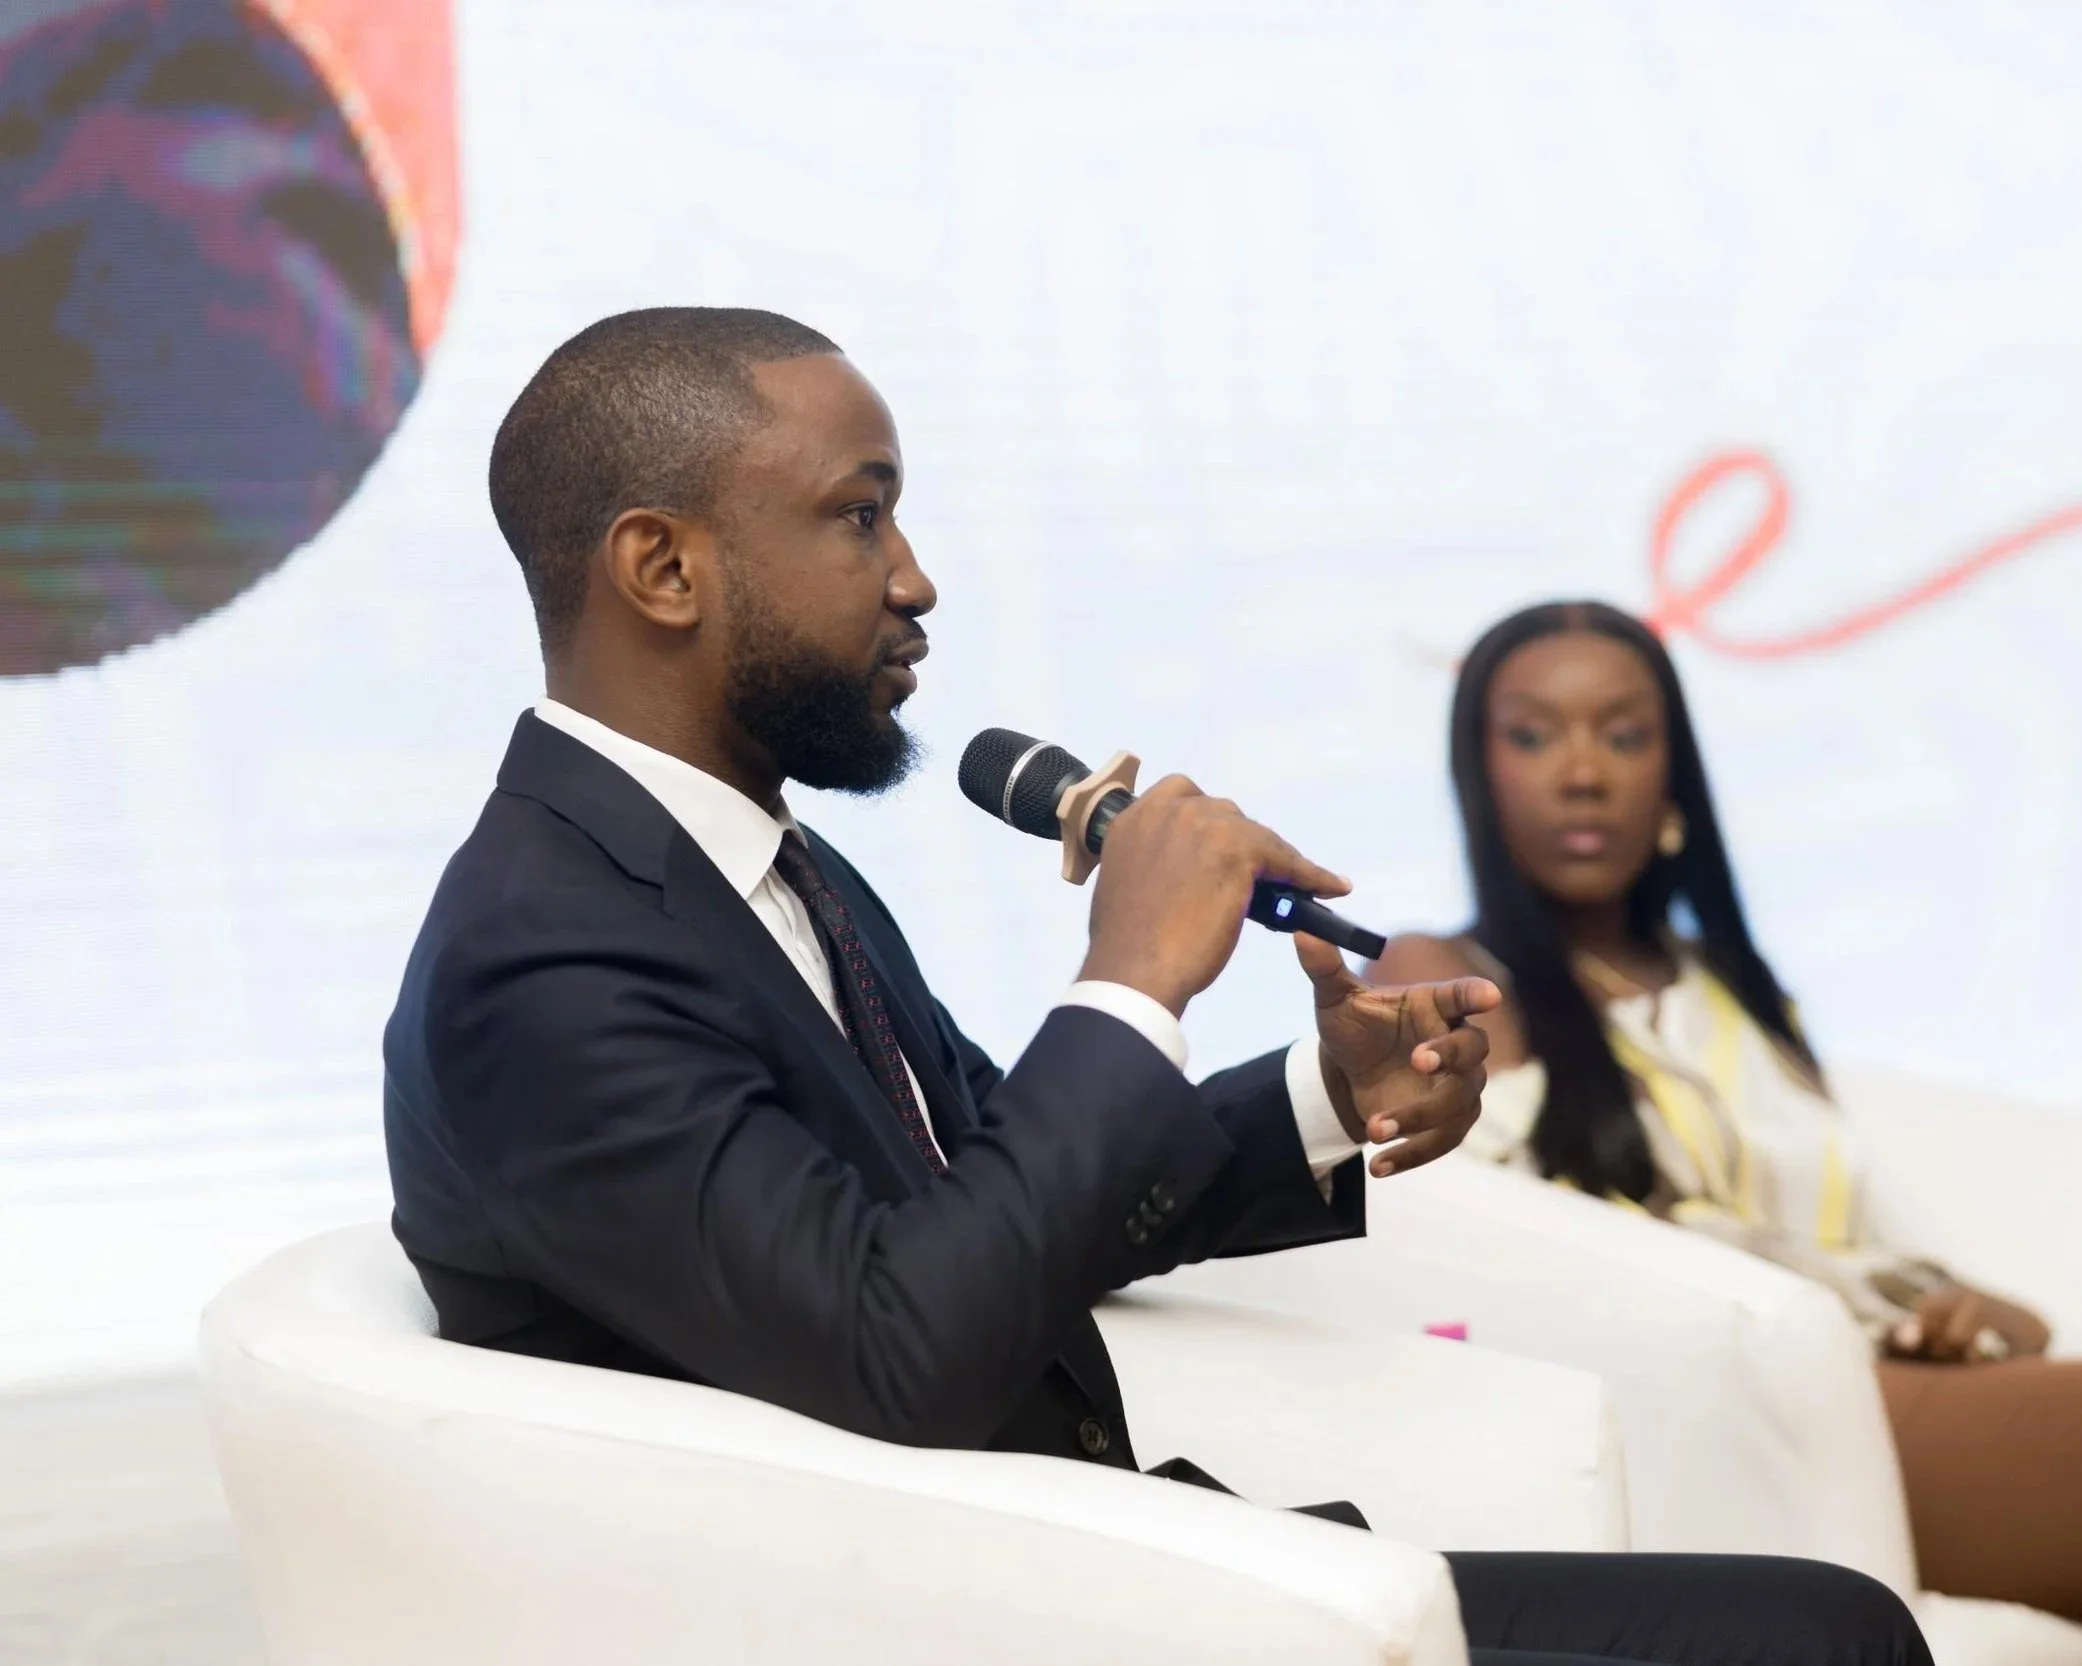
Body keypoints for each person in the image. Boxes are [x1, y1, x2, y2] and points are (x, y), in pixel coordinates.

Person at [384, 311, 1931, 1666]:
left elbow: (1013, 1192)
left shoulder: (763, 871)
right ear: (662, 566)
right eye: (860, 518)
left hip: (1107, 1561)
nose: (916, 580)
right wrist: (1128, 974)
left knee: (1832, 1623)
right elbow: (903, 1347)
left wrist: (1329, 1095)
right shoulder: (544, 955)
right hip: (974, 1619)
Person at [1370, 598, 2082, 1624]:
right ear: (1478, 771)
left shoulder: (1739, 989)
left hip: (1883, 1370)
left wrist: (1969, 1314)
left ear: (1674, 771)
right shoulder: (1441, 975)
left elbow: (1855, 1242)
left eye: (1624, 735)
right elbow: (1471, 1252)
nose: (1583, 772)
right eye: (1533, 734)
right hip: (1740, 1415)